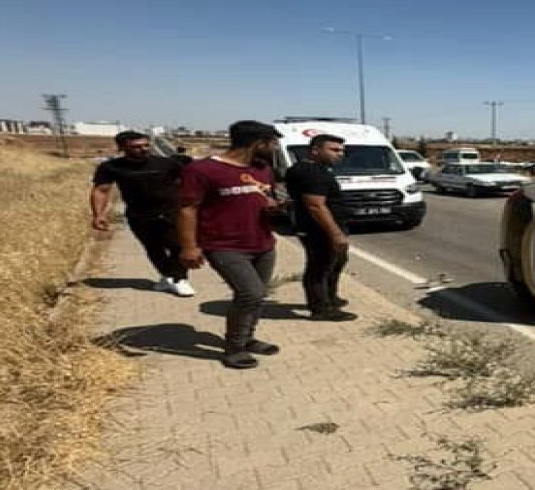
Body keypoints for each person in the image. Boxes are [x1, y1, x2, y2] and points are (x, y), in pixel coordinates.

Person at [177, 120, 285, 369]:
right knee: (250, 294)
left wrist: (274, 207)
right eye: (273, 143)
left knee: (258, 296)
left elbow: (265, 197)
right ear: (258, 143)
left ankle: (247, 338)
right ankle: (234, 348)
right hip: (224, 245)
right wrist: (189, 246)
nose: (276, 148)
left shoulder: (262, 169)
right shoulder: (202, 170)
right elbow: (186, 209)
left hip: (263, 242)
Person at [90, 131, 194, 297]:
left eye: (146, 145)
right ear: (122, 148)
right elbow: (101, 190)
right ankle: (168, 276)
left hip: (171, 212)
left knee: (178, 246)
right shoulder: (111, 167)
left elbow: (191, 180)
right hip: (139, 216)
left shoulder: (166, 164)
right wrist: (99, 214)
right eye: (136, 147)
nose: (143, 149)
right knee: (154, 249)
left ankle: (179, 279)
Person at [284, 134, 358, 322]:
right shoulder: (312, 173)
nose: (339, 154)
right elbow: (315, 205)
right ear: (315, 150)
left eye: (341, 150)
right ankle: (320, 308)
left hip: (323, 228)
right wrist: (335, 233)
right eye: (334, 150)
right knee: (320, 268)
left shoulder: (317, 169)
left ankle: (330, 297)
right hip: (318, 230)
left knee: (336, 261)